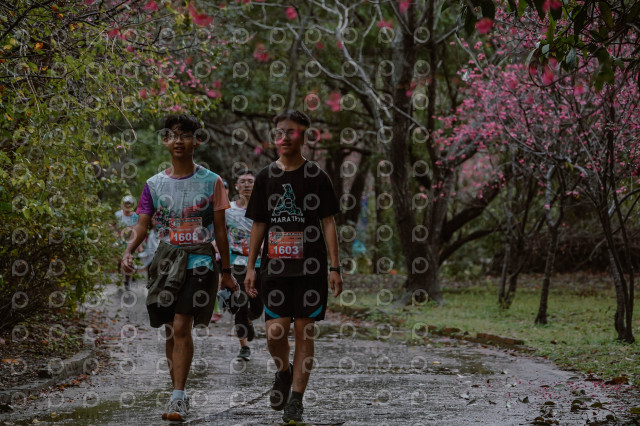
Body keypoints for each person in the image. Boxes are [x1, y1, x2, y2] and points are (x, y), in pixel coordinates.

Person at [121, 114, 238, 422]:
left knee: (183, 325)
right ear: (165, 140)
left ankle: (178, 397)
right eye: (173, 135)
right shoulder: (153, 184)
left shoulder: (213, 182)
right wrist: (129, 250)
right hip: (165, 264)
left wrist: (226, 272)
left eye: (186, 135)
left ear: (196, 141)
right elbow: (142, 224)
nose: (179, 141)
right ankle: (178, 392)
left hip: (200, 262)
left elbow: (221, 230)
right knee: (171, 330)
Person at [244, 110, 343, 424]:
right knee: (275, 331)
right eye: (280, 132)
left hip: (310, 267)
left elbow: (329, 223)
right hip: (274, 268)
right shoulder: (265, 177)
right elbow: (259, 224)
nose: (284, 137)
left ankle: (296, 401)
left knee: (304, 331)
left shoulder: (317, 176)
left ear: (304, 136)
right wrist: (251, 266)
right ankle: (284, 372)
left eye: (292, 132)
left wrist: (335, 267)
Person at [226, 169, 264, 361]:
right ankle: (244, 346)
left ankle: (250, 318)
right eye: (243, 181)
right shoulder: (228, 210)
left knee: (258, 305)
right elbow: (219, 233)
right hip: (237, 263)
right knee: (239, 302)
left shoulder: (264, 209)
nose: (247, 184)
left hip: (260, 263)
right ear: (236, 186)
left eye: (250, 181)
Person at [115, 195, 139, 290]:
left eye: (129, 204)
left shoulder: (135, 216)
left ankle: (127, 282)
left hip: (131, 241)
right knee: (119, 261)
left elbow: (137, 229)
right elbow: (114, 226)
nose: (127, 206)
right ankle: (119, 278)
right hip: (120, 241)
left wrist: (139, 244)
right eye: (126, 204)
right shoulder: (118, 215)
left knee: (129, 261)